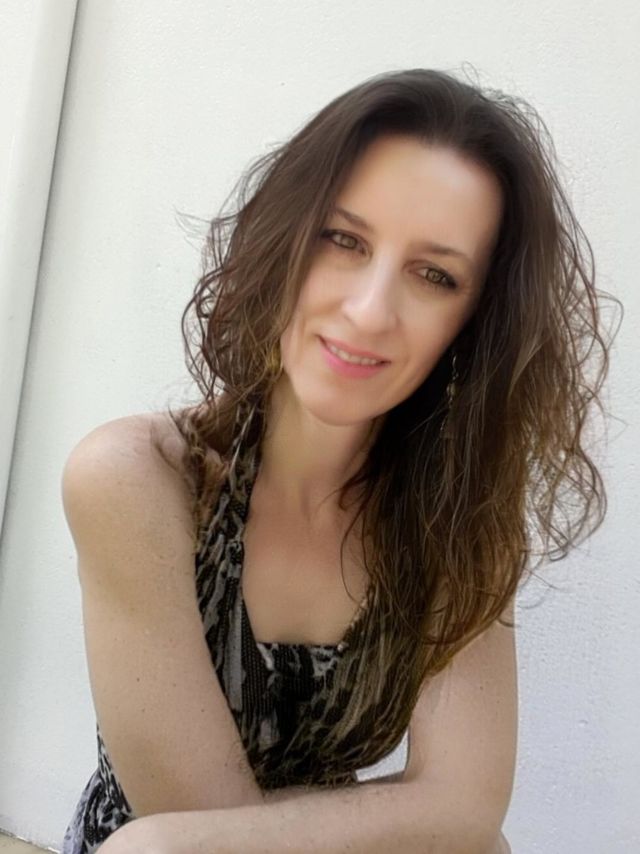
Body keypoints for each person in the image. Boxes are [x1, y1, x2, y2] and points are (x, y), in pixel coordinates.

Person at [60, 67, 616, 853]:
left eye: (435, 275)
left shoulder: (459, 518)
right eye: (344, 240)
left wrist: (451, 826)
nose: (369, 310)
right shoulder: (137, 480)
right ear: (285, 238)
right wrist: (426, 822)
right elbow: (192, 831)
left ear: (475, 321)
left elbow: (468, 805)